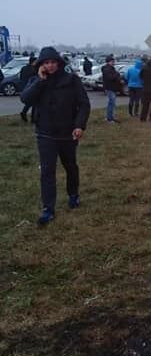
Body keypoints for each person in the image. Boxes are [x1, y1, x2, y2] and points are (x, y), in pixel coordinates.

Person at [20, 46, 90, 226]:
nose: (50, 66)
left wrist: (79, 125)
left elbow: (83, 104)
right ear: (41, 65)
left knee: (70, 166)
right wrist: (40, 81)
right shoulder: (36, 80)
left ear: (58, 63)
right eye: (46, 63)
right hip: (45, 133)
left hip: (67, 133)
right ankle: (48, 208)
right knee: (47, 171)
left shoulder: (71, 80)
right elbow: (25, 99)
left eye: (53, 62)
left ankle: (73, 195)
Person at [101, 54, 123, 123]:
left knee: (111, 103)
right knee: (112, 103)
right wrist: (117, 74)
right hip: (110, 88)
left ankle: (110, 117)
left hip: (112, 88)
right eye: (112, 61)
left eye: (114, 61)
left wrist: (118, 77)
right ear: (109, 62)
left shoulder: (110, 68)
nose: (114, 62)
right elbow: (110, 78)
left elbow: (114, 76)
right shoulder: (107, 69)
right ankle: (110, 118)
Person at [19, 54, 37, 122]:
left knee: (30, 103)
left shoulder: (24, 68)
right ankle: (32, 119)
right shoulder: (34, 69)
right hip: (31, 88)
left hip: (25, 88)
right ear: (33, 62)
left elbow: (20, 77)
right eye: (36, 61)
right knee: (34, 103)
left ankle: (24, 113)